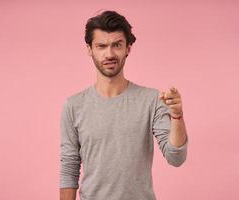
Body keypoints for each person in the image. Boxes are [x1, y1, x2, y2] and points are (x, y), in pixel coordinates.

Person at [59, 10, 188, 200]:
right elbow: (69, 167)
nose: (109, 53)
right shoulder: (74, 105)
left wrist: (177, 116)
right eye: (101, 46)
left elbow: (176, 158)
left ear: (128, 48)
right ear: (89, 49)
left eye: (117, 45)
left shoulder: (151, 100)